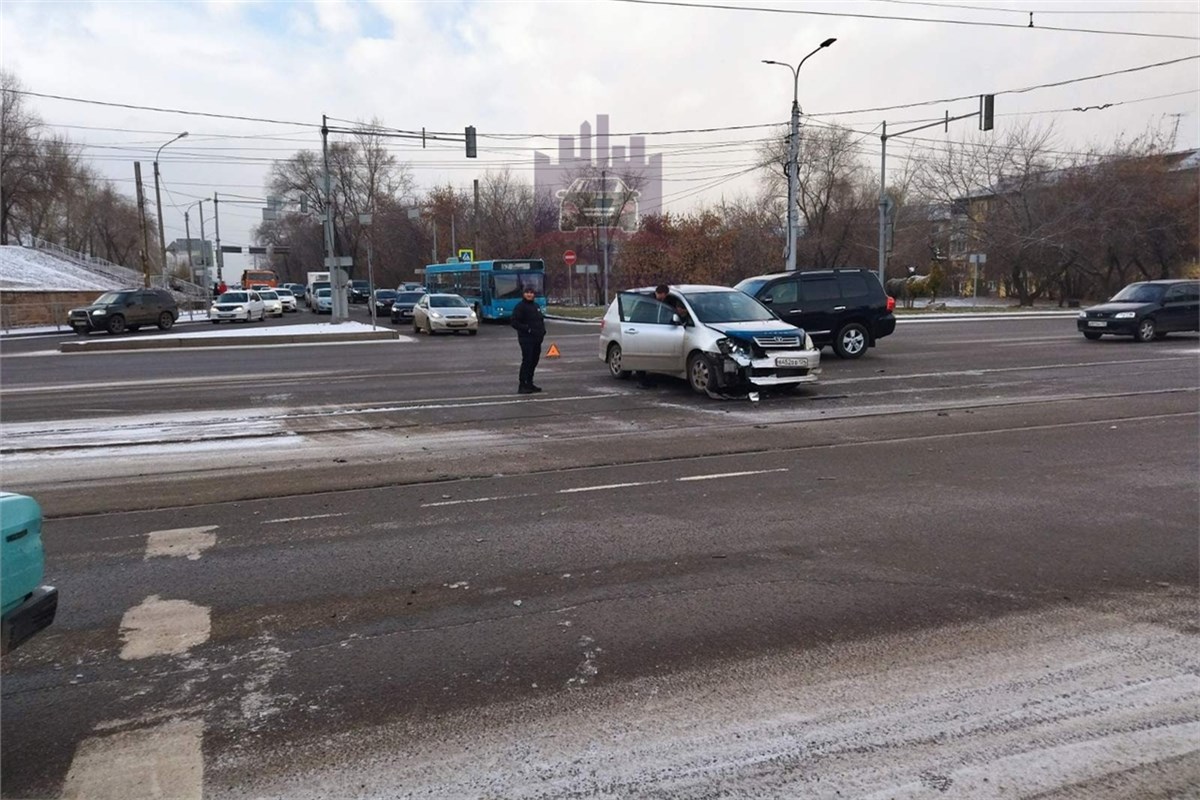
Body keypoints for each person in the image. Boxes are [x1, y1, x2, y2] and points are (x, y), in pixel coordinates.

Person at [511, 285, 546, 394]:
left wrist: (542, 331)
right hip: (526, 339)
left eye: (531, 292)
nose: (529, 294)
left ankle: (530, 383)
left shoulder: (536, 306)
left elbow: (540, 320)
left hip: (537, 339)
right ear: (523, 294)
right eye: (527, 292)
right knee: (527, 360)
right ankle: (522, 385)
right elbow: (514, 322)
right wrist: (528, 329)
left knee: (534, 361)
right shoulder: (520, 307)